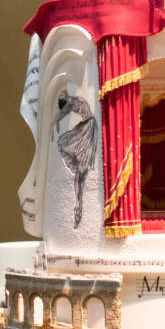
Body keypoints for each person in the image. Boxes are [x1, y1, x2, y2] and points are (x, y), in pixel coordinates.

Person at [55, 92, 97, 229]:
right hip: (85, 127)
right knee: (80, 174)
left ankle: (78, 208)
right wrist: (56, 121)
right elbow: (64, 111)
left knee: (81, 172)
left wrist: (56, 120)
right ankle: (78, 207)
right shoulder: (72, 103)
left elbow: (65, 111)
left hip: (87, 127)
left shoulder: (76, 100)